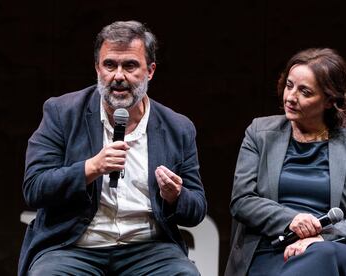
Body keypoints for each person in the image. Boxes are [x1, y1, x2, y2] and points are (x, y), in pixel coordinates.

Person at [19, 20, 207, 276]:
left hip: (148, 249)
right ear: (97, 68)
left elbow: (196, 208)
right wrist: (90, 168)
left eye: (130, 65)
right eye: (110, 65)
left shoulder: (178, 127)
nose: (118, 76)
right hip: (74, 246)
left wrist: (175, 196)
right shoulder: (62, 113)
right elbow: (34, 188)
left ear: (150, 71)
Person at [225, 48, 346, 276]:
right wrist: (293, 220)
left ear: (329, 100)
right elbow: (242, 200)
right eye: (289, 86)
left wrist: (320, 238)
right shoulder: (259, 132)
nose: (290, 97)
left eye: (305, 92)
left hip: (334, 245)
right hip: (272, 246)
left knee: (326, 256)